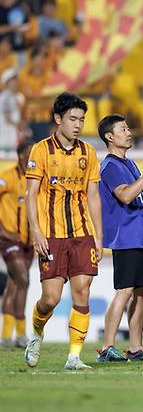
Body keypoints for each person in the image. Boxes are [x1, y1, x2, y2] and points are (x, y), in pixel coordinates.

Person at [24, 93, 103, 370]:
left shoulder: (89, 153)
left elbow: (93, 196)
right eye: (72, 119)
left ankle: (74, 357)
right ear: (58, 119)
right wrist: (36, 231)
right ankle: (35, 332)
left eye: (81, 120)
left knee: (82, 291)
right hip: (52, 234)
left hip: (82, 233)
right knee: (51, 299)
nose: (78, 125)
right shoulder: (41, 150)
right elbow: (31, 194)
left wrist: (99, 236)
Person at [96, 114, 143, 363]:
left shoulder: (129, 164)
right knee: (124, 291)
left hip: (141, 235)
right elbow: (125, 196)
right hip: (125, 237)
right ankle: (107, 347)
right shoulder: (110, 166)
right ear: (109, 136)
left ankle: (136, 348)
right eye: (123, 129)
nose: (129, 132)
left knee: (140, 292)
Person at [0, 140, 34, 348]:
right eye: (31, 152)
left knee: (14, 285)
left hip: (29, 240)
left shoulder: (36, 179)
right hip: (10, 238)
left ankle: (7, 335)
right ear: (21, 155)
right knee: (23, 280)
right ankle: (20, 335)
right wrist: (3, 230)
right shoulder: (7, 178)